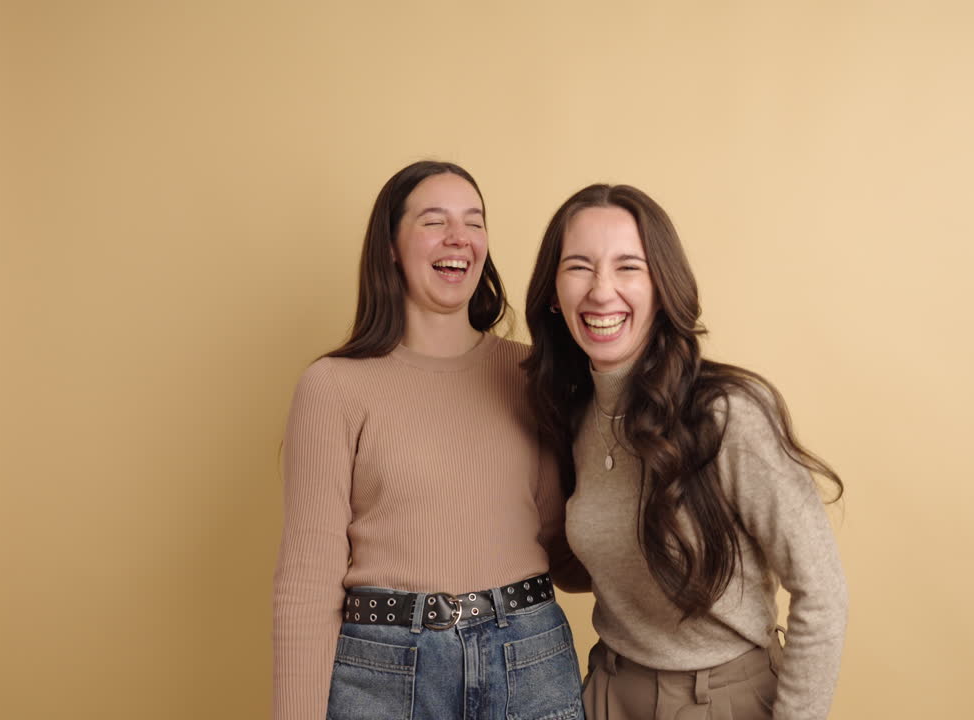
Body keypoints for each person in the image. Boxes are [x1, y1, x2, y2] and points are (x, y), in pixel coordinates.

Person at [274, 161, 586, 720]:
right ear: (390, 247)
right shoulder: (332, 386)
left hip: (528, 656)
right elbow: (308, 580)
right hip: (386, 670)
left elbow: (567, 545)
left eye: (474, 221)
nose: (458, 238)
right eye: (433, 221)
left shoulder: (529, 374)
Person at [522, 184, 848, 720]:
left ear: (662, 285)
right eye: (579, 266)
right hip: (607, 690)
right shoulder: (571, 414)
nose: (602, 291)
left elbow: (823, 594)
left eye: (630, 267)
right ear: (554, 293)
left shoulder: (726, 412)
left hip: (720, 700)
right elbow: (596, 560)